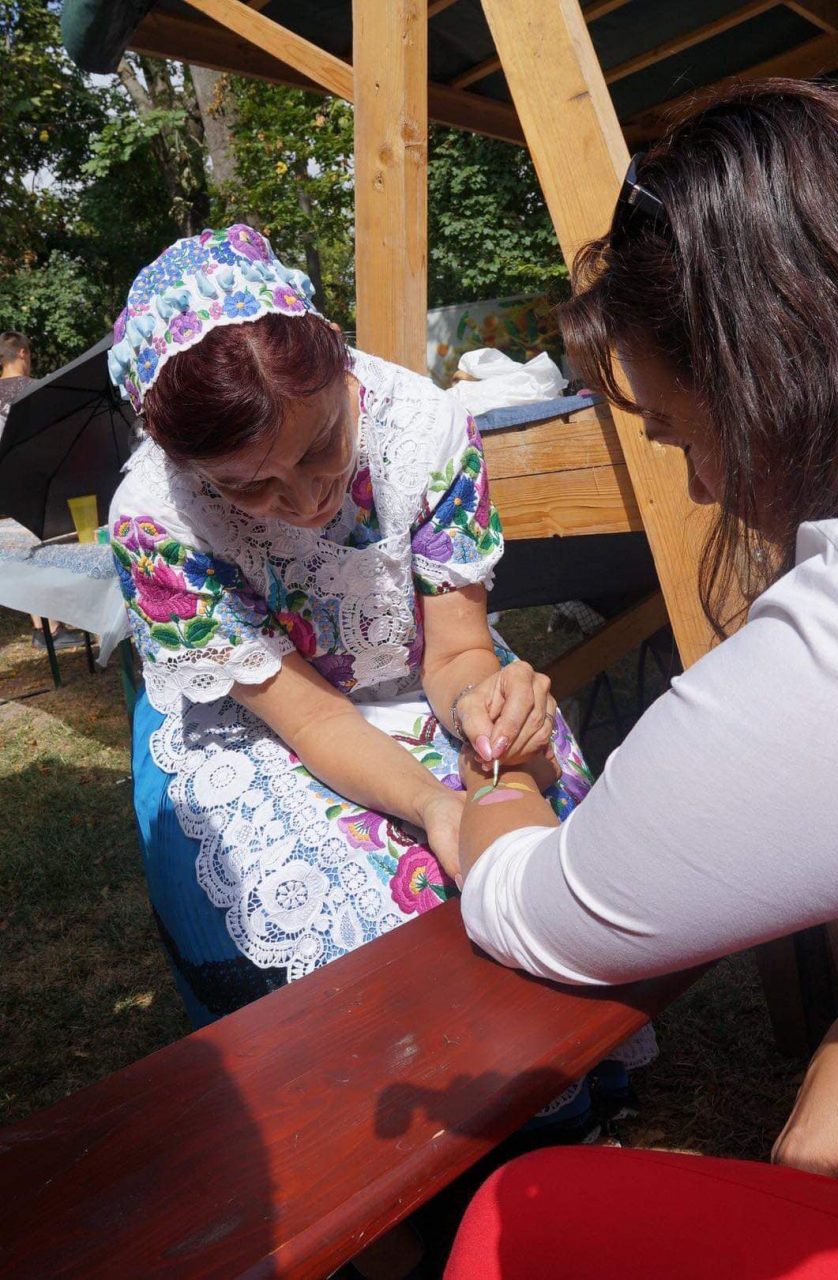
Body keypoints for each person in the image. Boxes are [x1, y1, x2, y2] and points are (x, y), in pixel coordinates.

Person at [442, 78, 838, 1277]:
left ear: (765, 380)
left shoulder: (828, 656)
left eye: (676, 431)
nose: (702, 489)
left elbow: (539, 905)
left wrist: (507, 777)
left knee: (515, 1215)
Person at [107, 225, 652, 1125]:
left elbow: (454, 651)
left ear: (336, 358)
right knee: (364, 911)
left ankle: (558, 1083)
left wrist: (482, 704)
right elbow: (314, 721)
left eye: (320, 446)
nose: (306, 501)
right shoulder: (155, 521)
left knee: (532, 825)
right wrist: (436, 805)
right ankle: (416, 1131)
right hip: (265, 718)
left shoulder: (425, 427)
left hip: (410, 674)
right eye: (249, 489)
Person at [0, 331, 81, 650]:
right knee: (44, 554)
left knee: (22, 558)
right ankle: (54, 627)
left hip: (3, 491)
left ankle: (43, 629)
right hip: (36, 484)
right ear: (22, 353)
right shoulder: (35, 390)